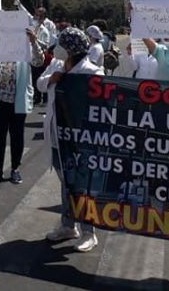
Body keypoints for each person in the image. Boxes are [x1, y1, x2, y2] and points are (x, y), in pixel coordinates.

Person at [35, 27, 101, 253]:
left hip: (80, 140)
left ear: (71, 50)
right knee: (66, 182)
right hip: (57, 137)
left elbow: (102, 102)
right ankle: (68, 226)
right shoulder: (56, 65)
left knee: (82, 185)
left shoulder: (91, 72)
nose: (57, 49)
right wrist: (52, 79)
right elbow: (40, 84)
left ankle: (89, 232)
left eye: (61, 45)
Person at [0, 54, 34, 185]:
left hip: (18, 103)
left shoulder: (24, 51)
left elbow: (38, 61)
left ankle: (15, 168)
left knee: (17, 137)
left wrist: (33, 43)